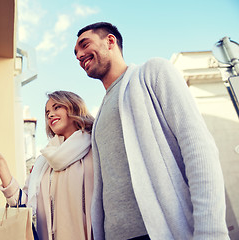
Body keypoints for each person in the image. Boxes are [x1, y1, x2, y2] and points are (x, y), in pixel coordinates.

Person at [74, 22, 229, 240]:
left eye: (84, 44)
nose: (79, 55)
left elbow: (198, 149)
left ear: (110, 41)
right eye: (75, 52)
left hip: (161, 232)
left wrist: (210, 232)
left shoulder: (152, 72)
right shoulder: (99, 115)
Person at [0, 91, 95, 240]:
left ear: (74, 107)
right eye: (47, 112)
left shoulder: (94, 148)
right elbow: (21, 204)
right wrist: (0, 164)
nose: (50, 115)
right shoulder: (44, 162)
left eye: (57, 107)